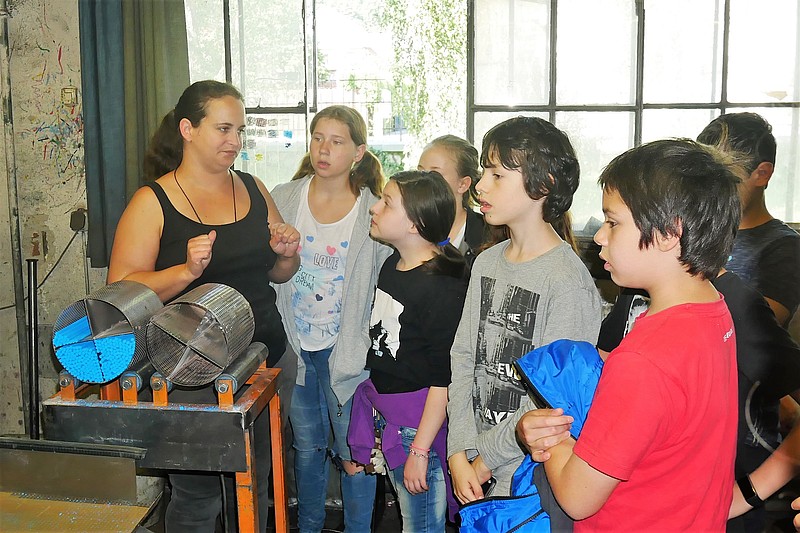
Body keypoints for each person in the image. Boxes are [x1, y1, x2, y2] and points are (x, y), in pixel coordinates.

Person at [107, 80, 300, 531]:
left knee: (255, 485)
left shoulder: (253, 187)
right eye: (224, 129)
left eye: (240, 131)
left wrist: (287, 252)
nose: (235, 142)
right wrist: (185, 273)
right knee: (198, 497)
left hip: (264, 360)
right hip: (189, 372)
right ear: (188, 129)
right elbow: (120, 291)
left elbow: (275, 274)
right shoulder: (151, 201)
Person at [528, 139, 740, 531]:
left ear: (667, 233)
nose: (600, 237)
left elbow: (577, 498)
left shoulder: (646, 359)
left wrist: (549, 440)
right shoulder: (713, 311)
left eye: (613, 222)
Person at [446, 116, 602, 502]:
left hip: (529, 479)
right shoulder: (486, 262)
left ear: (543, 184)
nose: (481, 185)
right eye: (484, 171)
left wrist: (484, 461)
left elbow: (554, 405)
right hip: (475, 462)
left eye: (497, 175)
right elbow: (464, 356)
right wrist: (458, 451)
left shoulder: (567, 282)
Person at [271, 105, 392, 533]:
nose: (324, 149)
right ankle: (309, 526)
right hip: (296, 346)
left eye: (337, 141)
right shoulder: (284, 197)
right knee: (306, 447)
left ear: (358, 152)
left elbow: (386, 284)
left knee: (355, 452)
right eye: (318, 137)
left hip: (348, 353)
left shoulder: (373, 211)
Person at [348, 170, 469, 531]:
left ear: (415, 224)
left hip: (418, 428)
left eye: (387, 202)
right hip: (391, 415)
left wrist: (419, 450)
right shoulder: (392, 265)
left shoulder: (441, 287)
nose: (374, 207)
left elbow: (443, 379)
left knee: (420, 526)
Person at [697, 112, 800, 327]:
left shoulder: (785, 246)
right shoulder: (696, 229)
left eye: (724, 178)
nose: (711, 189)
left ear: (762, 174)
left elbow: (762, 324)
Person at [417, 135, 489, 265]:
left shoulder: (487, 237)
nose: (422, 182)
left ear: (463, 184)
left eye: (435, 175)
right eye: (420, 172)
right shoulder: (412, 230)